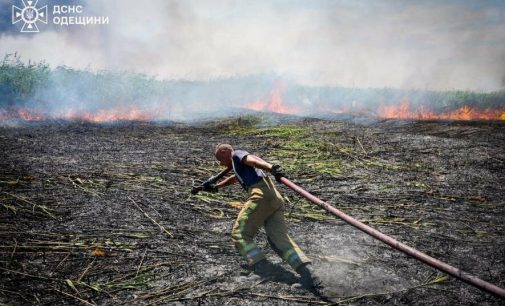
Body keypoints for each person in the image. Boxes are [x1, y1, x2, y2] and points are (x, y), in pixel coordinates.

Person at [202, 143, 323, 293]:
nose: (221, 164)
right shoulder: (239, 166)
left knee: (240, 233)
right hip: (274, 198)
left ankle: (262, 269)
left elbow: (251, 158)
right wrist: (216, 187)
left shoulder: (237, 154)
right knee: (279, 238)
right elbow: (235, 178)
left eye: (220, 159)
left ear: (225, 151)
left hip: (261, 196)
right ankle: (308, 274)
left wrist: (271, 167)